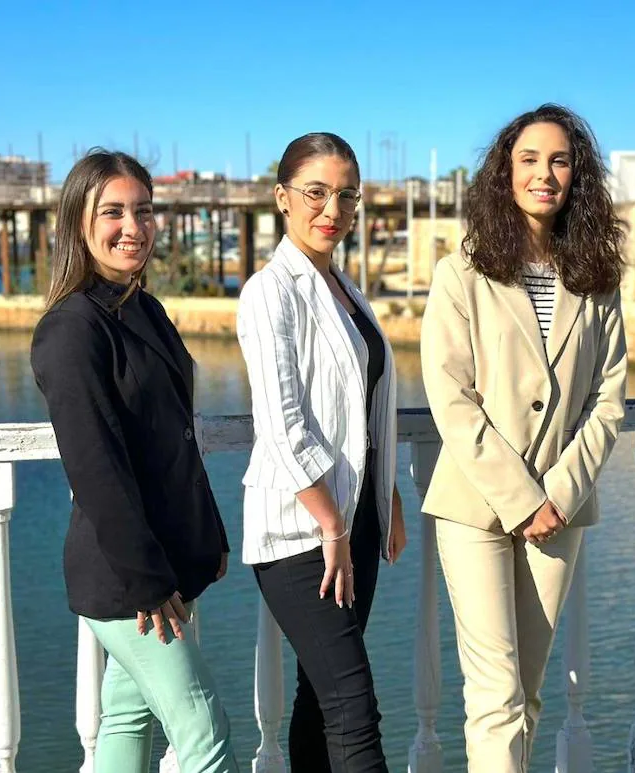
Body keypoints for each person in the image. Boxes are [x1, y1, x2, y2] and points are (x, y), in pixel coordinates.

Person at [419, 104, 629, 772]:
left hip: (559, 513)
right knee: (496, 696)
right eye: (530, 159)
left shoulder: (598, 280)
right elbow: (451, 397)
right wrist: (522, 497)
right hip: (478, 507)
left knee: (528, 696)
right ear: (504, 172)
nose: (545, 173)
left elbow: (608, 399)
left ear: (578, 176)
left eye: (560, 160)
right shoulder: (463, 273)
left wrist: (559, 494)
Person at [29, 148, 239, 773]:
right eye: (113, 211)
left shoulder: (142, 307)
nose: (133, 227)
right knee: (206, 733)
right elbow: (95, 468)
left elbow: (175, 437)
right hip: (128, 575)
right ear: (78, 224)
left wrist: (209, 536)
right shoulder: (71, 327)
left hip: (165, 562)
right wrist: (148, 579)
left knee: (126, 717)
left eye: (144, 211)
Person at [235, 131, 408, 772]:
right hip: (303, 532)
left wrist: (381, 490)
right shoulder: (269, 291)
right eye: (316, 192)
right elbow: (283, 423)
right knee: (354, 709)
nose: (332, 209)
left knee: (320, 699)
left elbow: (358, 409)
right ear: (283, 198)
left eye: (346, 196)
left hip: (353, 518)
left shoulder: (344, 290)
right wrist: (332, 521)